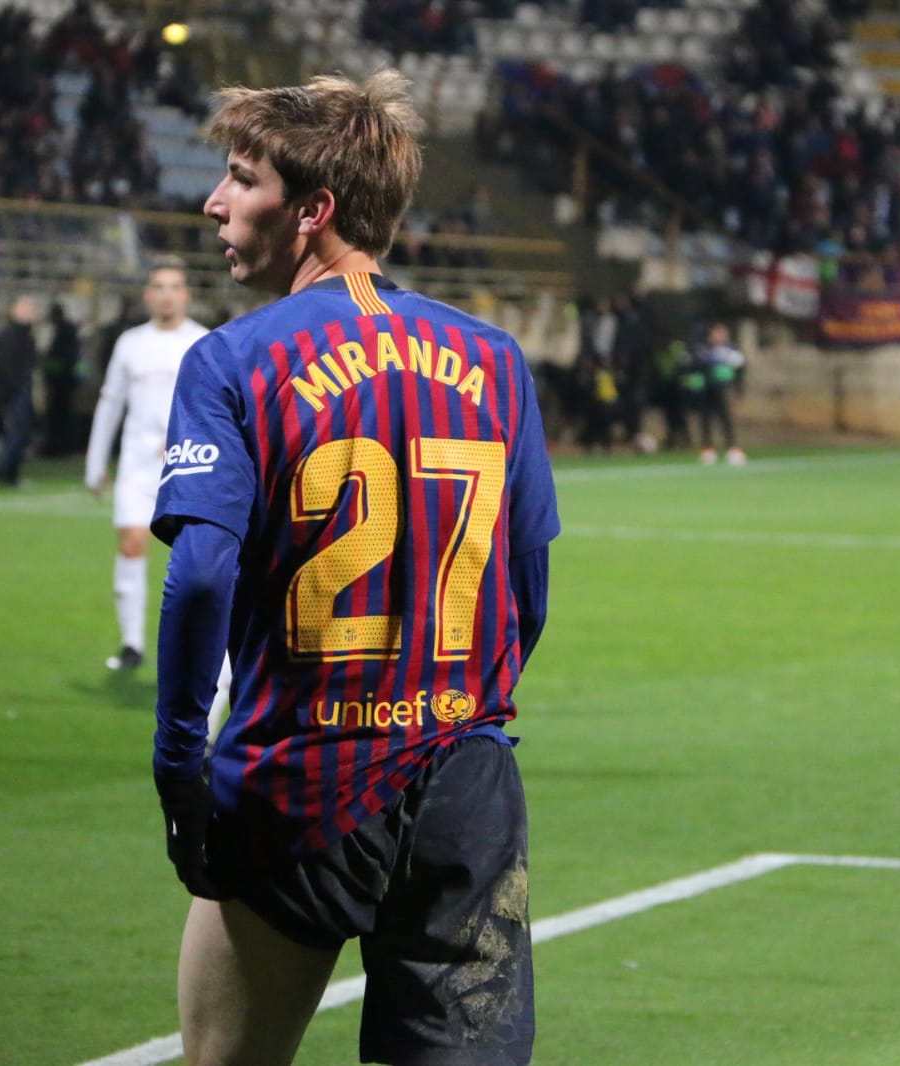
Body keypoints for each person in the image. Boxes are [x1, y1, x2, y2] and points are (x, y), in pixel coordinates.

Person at [149, 71, 558, 1066]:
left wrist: (176, 758)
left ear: (313, 211)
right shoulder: (495, 358)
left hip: (301, 773)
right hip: (465, 779)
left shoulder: (234, 359)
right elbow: (528, 586)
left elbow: (201, 577)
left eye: (241, 179)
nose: (214, 201)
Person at [83, 257, 219, 684]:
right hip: (137, 466)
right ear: (147, 295)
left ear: (186, 294)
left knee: (194, 562)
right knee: (132, 544)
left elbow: (217, 408)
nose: (166, 294)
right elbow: (110, 404)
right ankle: (132, 643)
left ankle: (196, 646)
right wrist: (94, 464)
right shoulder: (130, 343)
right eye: (158, 286)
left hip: (188, 466)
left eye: (174, 286)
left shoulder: (203, 341)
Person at [0, 295, 40, 487]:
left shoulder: (25, 335)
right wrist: (10, 390)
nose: (30, 313)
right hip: (13, 391)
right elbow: (6, 367)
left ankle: (7, 470)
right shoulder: (10, 336)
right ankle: (5, 472)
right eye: (25, 308)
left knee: (19, 433)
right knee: (17, 432)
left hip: (19, 389)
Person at [691, 321, 748, 465]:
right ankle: (707, 449)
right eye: (717, 333)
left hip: (722, 389)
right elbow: (696, 366)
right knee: (705, 420)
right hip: (706, 390)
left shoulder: (732, 350)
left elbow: (740, 369)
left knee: (725, 419)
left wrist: (738, 386)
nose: (721, 336)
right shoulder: (702, 349)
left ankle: (732, 448)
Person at [42, 302, 82, 457]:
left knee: (60, 416)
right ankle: (62, 448)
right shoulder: (67, 331)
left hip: (61, 383)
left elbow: (60, 360)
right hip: (65, 382)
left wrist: (50, 376)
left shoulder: (63, 333)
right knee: (64, 415)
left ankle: (59, 448)